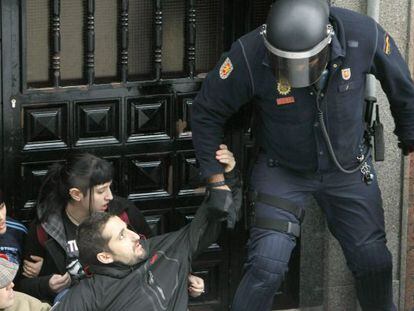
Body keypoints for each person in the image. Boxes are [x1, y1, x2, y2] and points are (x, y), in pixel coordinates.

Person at [191, 0, 414, 310]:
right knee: (265, 268)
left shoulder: (362, 34)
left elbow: (404, 91)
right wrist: (215, 178)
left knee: (374, 262)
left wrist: (410, 139)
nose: (295, 71)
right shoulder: (251, 51)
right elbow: (206, 112)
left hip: (347, 169)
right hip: (282, 170)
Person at [53, 145, 240, 310]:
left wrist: (227, 177)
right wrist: (43, 284)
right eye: (121, 236)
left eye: (127, 229)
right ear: (105, 256)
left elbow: (213, 216)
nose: (135, 236)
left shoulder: (161, 250)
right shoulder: (91, 292)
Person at [18, 153, 153, 303]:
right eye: (101, 191)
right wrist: (46, 283)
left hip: (124, 295)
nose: (110, 196)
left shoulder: (123, 214)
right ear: (76, 194)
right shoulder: (45, 228)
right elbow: (21, 286)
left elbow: (153, 252)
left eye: (110, 187)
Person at [0, 187, 28, 267]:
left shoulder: (18, 231)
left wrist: (43, 269)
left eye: (1, 207)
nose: (1, 217)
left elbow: (27, 272)